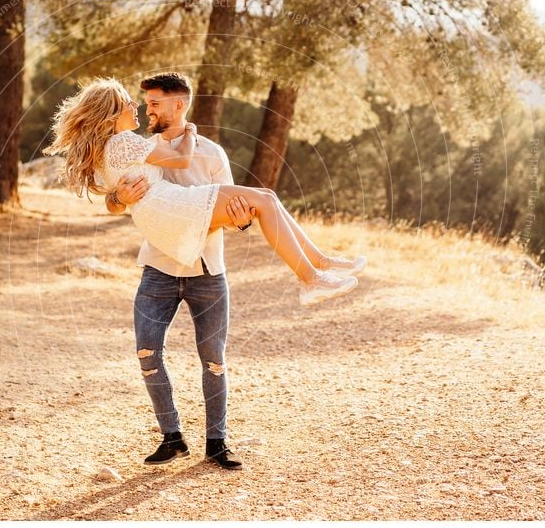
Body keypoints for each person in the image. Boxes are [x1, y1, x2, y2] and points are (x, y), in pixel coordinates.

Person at [44, 73, 365, 469]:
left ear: (178, 104)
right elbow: (122, 193)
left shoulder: (206, 153)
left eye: (151, 103)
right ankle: (312, 276)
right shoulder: (136, 143)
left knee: (263, 201)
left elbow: (239, 219)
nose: (142, 109)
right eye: (135, 103)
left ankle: (319, 266)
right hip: (169, 232)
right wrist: (118, 197)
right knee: (149, 349)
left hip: (200, 254)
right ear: (112, 113)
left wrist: (236, 218)